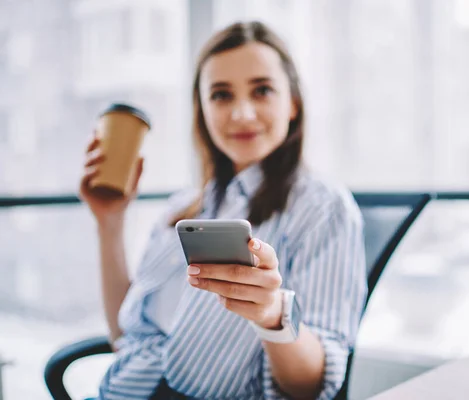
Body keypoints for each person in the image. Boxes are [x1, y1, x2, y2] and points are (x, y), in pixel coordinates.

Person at [80, 20, 366, 400]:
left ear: (293, 103)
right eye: (221, 95)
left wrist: (272, 315)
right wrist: (110, 223)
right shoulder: (183, 209)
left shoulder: (323, 209)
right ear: (202, 110)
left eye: (262, 90)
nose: (242, 113)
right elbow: (125, 337)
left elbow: (310, 388)